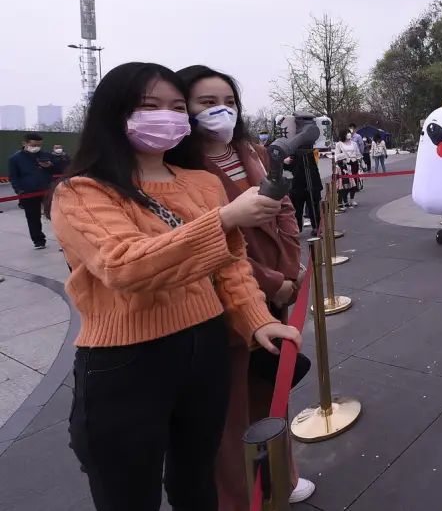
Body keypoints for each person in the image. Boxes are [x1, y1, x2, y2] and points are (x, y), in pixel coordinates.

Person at [49, 62, 301, 511]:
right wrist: (224, 219)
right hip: (126, 362)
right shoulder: (83, 192)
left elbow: (230, 265)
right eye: (150, 106)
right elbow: (125, 267)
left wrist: (256, 318)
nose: (166, 116)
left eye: (176, 107)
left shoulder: (202, 183)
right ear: (114, 113)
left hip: (205, 347)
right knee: (128, 492)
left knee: (197, 479)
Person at [178, 65, 316, 508]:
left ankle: (283, 476)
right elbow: (213, 244)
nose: (221, 111)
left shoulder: (252, 151)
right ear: (185, 109)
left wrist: (290, 269)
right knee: (230, 412)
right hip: (229, 301)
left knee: (271, 392)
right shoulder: (182, 169)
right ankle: (240, 499)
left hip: (279, 291)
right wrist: (272, 282)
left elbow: (284, 210)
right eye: (207, 103)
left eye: (229, 102)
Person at [8, 132, 66, 249]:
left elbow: (58, 170)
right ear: (25, 143)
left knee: (56, 215)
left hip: (47, 190)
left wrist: (49, 166)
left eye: (39, 145)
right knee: (33, 217)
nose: (36, 147)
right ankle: (38, 241)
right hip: (28, 193)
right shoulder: (15, 159)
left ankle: (64, 241)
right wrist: (19, 190)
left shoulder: (46, 155)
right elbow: (13, 177)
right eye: (34, 145)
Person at [285, 147, 322, 231]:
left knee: (314, 207)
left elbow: (314, 164)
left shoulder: (309, 149)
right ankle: (296, 229)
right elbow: (288, 167)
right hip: (297, 183)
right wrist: (285, 161)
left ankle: (316, 227)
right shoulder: (291, 149)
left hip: (311, 182)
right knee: (296, 209)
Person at [334, 129, 362, 208]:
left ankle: (352, 199)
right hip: (344, 165)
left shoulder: (354, 143)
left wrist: (360, 161)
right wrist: (344, 157)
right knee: (345, 183)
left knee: (354, 182)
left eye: (349, 133)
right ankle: (344, 200)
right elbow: (337, 155)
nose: (349, 134)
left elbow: (358, 153)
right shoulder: (339, 144)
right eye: (347, 133)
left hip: (354, 164)